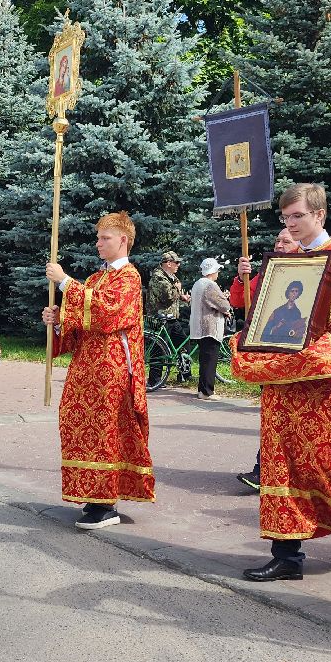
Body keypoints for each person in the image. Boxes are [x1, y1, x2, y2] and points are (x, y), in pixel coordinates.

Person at [232, 183, 331, 581]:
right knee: (282, 467)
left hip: (328, 387)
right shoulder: (286, 262)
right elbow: (268, 319)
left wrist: (318, 352)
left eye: (298, 216)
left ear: (319, 214)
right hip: (286, 387)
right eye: (286, 217)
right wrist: (255, 340)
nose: (291, 223)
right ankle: (286, 555)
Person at [42, 211, 152, 530]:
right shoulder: (93, 279)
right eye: (98, 237)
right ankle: (92, 496)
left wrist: (64, 281)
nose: (99, 243)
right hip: (85, 370)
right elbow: (80, 323)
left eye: (105, 238)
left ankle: (106, 504)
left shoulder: (130, 277)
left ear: (123, 240)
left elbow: (108, 313)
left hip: (113, 369)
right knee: (79, 424)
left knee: (105, 430)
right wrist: (59, 320)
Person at [230, 229, 300, 492]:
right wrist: (241, 276)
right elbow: (240, 300)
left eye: (286, 241)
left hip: (298, 355)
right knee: (273, 413)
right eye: (278, 240)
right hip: (270, 354)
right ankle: (265, 470)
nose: (280, 244)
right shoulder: (269, 270)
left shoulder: (311, 267)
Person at [189, 257, 231, 399]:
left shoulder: (197, 284)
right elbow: (224, 305)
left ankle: (202, 389)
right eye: (217, 270)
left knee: (204, 359)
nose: (218, 273)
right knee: (210, 359)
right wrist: (225, 301)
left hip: (198, 326)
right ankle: (207, 391)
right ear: (213, 271)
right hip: (209, 327)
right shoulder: (210, 285)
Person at [147, 250, 190, 386]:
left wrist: (182, 297)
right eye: (176, 262)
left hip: (171, 317)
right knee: (159, 350)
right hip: (160, 318)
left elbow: (173, 295)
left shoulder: (171, 276)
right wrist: (178, 289)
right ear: (168, 263)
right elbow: (168, 296)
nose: (178, 265)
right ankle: (155, 381)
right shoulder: (158, 277)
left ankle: (185, 374)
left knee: (183, 342)